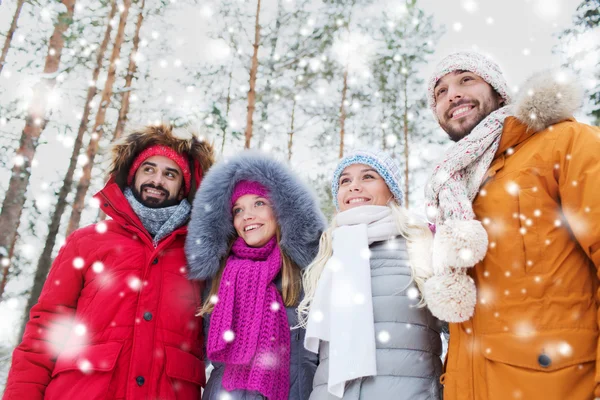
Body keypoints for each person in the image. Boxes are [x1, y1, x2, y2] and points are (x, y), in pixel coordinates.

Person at [422, 51, 600, 399]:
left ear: (500, 92)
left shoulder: (565, 143)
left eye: (466, 79)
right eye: (440, 92)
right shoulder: (454, 190)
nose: (452, 94)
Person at [3, 124, 214, 400]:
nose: (157, 180)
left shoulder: (201, 254)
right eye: (148, 169)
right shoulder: (87, 241)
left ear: (184, 186)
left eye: (170, 174)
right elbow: (44, 333)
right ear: (132, 174)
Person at [298, 150, 442, 400]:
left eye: (368, 177)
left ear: (391, 191)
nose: (354, 186)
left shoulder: (423, 244)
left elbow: (461, 328)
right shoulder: (327, 257)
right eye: (345, 181)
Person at [185, 152, 326, 400]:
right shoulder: (218, 277)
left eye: (259, 203)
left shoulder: (311, 272)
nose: (247, 215)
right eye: (238, 210)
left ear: (281, 210)